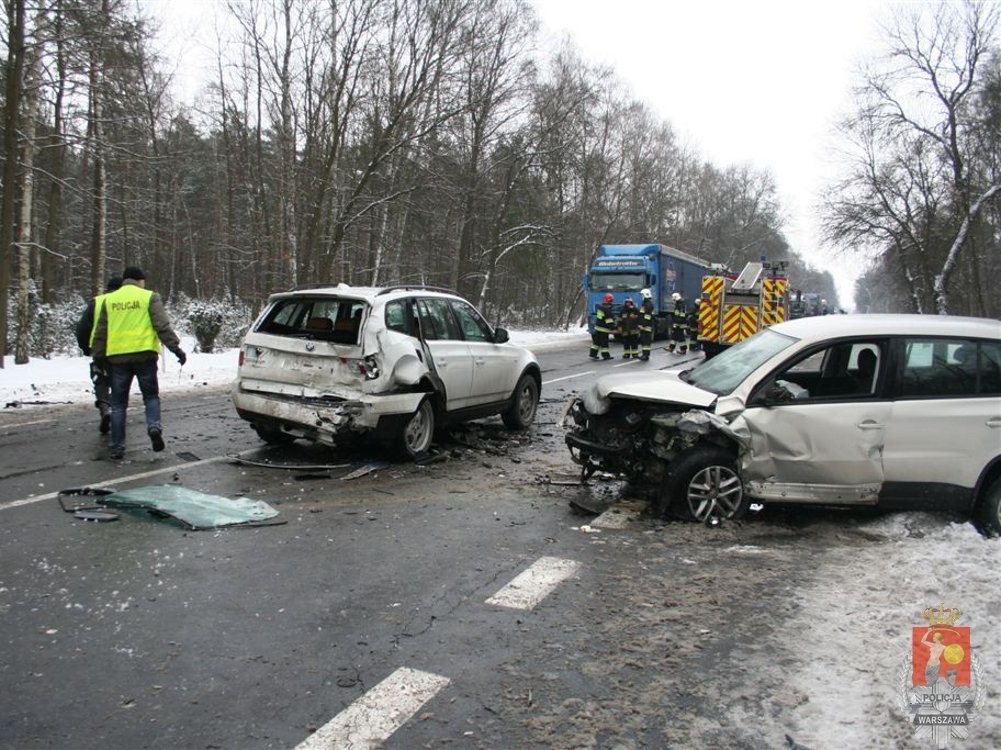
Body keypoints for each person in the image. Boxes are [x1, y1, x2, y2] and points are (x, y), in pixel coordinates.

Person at [90, 266, 186, 460]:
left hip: (117, 359)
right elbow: (162, 326)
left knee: (118, 404)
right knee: (150, 397)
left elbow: (100, 333)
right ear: (139, 280)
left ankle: (117, 447)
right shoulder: (149, 297)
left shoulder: (110, 300)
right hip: (145, 357)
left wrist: (98, 359)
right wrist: (176, 349)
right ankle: (153, 427)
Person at [75, 275, 123, 434]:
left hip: (99, 349)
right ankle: (116, 411)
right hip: (121, 349)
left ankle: (104, 408)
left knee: (99, 379)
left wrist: (85, 347)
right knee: (119, 381)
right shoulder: (123, 302)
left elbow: (82, 327)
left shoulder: (96, 302)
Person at [589, 293, 615, 360]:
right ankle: (606, 356)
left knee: (596, 342)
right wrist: (613, 327)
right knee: (604, 344)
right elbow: (608, 321)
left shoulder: (600, 307)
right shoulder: (607, 310)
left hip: (598, 328)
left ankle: (592, 354)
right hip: (604, 329)